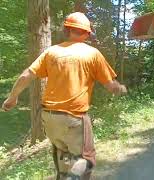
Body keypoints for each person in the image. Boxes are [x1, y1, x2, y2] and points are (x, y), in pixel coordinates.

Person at [2, 12, 127, 179]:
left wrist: (12, 97)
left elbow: (26, 75)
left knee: (63, 155)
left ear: (66, 30)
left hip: (50, 118)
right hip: (74, 119)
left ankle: (64, 175)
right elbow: (111, 86)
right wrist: (120, 88)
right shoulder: (92, 53)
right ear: (87, 33)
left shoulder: (51, 52)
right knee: (85, 160)